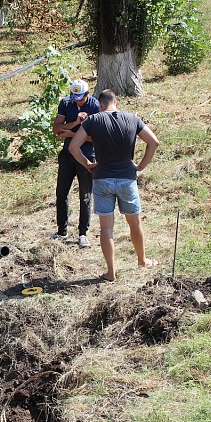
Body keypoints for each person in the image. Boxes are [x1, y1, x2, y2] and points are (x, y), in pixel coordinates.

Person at [67, 89, 159, 282]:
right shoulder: (133, 119)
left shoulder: (93, 120)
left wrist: (88, 164)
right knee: (135, 223)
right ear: (116, 102)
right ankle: (142, 261)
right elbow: (153, 142)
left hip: (102, 179)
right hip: (127, 178)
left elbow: (73, 147)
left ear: (100, 105)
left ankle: (111, 272)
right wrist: (140, 166)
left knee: (106, 229)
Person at [52, 79, 101, 248]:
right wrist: (75, 123)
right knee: (61, 193)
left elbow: (95, 137)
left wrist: (72, 134)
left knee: (85, 195)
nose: (77, 101)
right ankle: (62, 230)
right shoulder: (66, 103)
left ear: (87, 94)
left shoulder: (95, 106)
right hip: (67, 155)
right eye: (75, 98)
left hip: (86, 155)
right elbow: (56, 129)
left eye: (80, 98)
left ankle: (83, 233)